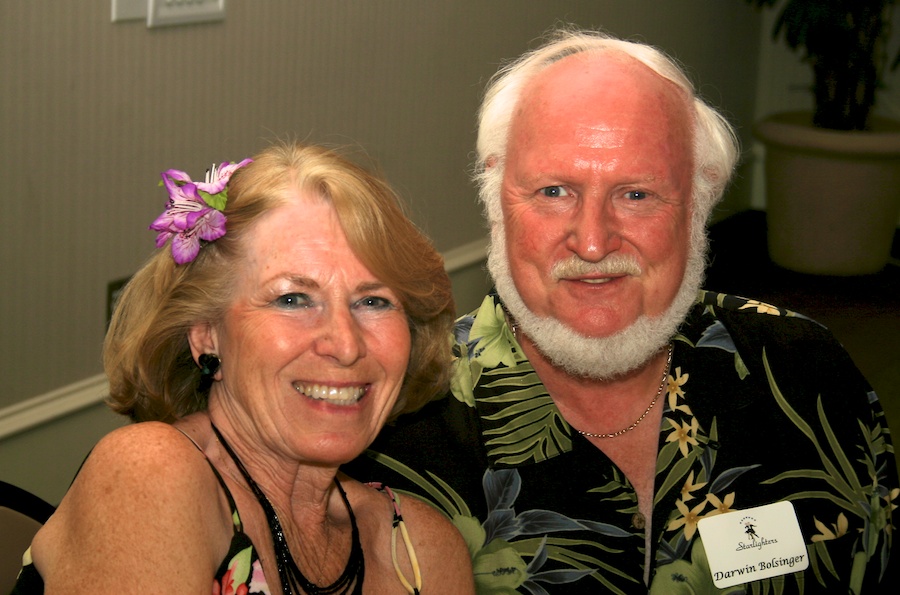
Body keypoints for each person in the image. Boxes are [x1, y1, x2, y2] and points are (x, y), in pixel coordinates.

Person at [345, 28, 898, 593]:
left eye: (636, 194)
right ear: (496, 199)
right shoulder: (395, 422)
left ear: (698, 204)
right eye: (554, 191)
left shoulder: (806, 375)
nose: (592, 242)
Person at [12, 142, 475, 594]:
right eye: (292, 299)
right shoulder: (153, 472)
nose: (346, 345)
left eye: (373, 301)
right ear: (206, 335)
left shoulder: (422, 549)